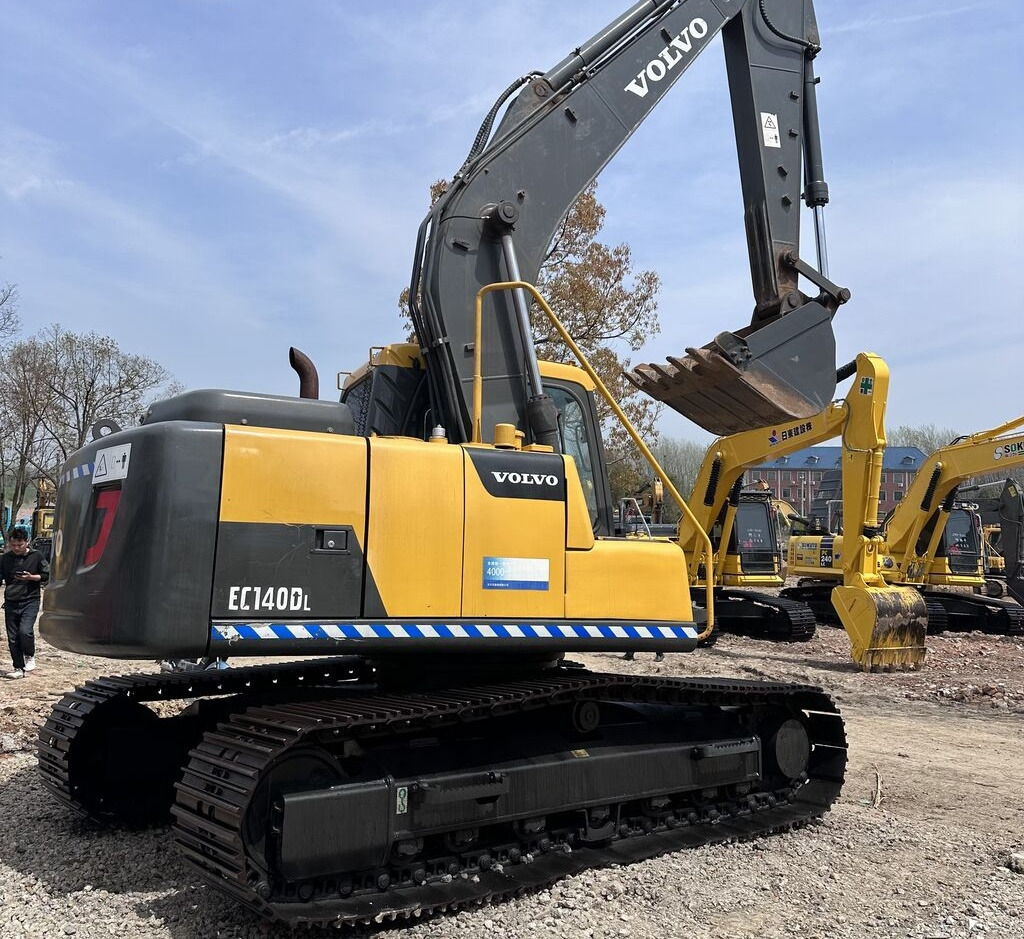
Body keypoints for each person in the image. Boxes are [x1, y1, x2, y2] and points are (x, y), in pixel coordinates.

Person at [2, 528, 50, 680]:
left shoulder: (36, 556)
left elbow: (46, 575)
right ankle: (18, 667)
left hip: (30, 599)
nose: (16, 548)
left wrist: (31, 577)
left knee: (25, 631)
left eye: (20, 545)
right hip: (11, 601)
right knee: (13, 637)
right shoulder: (5, 559)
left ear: (27, 542)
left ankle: (29, 655)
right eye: (13, 544)